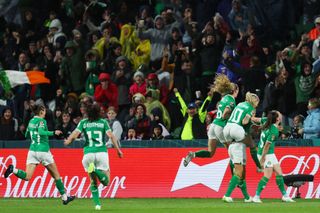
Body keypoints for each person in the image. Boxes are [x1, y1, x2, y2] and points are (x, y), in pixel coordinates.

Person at [4, 104, 75, 205]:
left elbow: (26, 134)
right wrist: (53, 132)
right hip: (43, 151)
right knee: (56, 176)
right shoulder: (42, 121)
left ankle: (13, 169)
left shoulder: (31, 121)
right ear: (41, 111)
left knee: (27, 176)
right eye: (44, 110)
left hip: (32, 151)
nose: (45, 112)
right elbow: (41, 131)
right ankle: (64, 198)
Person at [64, 103, 123, 210]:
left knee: (93, 181)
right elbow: (112, 136)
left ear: (87, 112)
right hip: (101, 152)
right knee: (106, 182)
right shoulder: (103, 122)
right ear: (98, 112)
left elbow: (75, 135)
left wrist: (68, 141)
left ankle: (97, 205)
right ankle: (95, 170)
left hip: (88, 154)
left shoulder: (83, 122)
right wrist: (118, 150)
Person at [184, 74, 238, 167]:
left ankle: (193, 154)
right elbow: (226, 112)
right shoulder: (231, 99)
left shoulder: (223, 98)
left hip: (213, 126)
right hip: (220, 127)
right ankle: (235, 179)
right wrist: (227, 117)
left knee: (210, 152)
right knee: (232, 154)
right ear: (234, 91)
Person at [222, 92, 260, 203]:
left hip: (227, 129)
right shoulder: (251, 108)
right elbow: (244, 121)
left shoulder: (240, 104)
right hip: (237, 130)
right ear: (255, 101)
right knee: (239, 171)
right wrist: (250, 118)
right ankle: (227, 195)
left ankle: (247, 197)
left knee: (242, 171)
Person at [252, 111, 295, 203]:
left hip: (269, 153)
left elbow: (254, 119)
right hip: (266, 154)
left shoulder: (265, 121)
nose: (281, 116)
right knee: (267, 176)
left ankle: (285, 195)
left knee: (279, 173)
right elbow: (266, 146)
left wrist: (250, 115)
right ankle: (256, 196)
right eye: (280, 115)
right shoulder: (274, 131)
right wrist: (262, 159)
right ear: (278, 119)